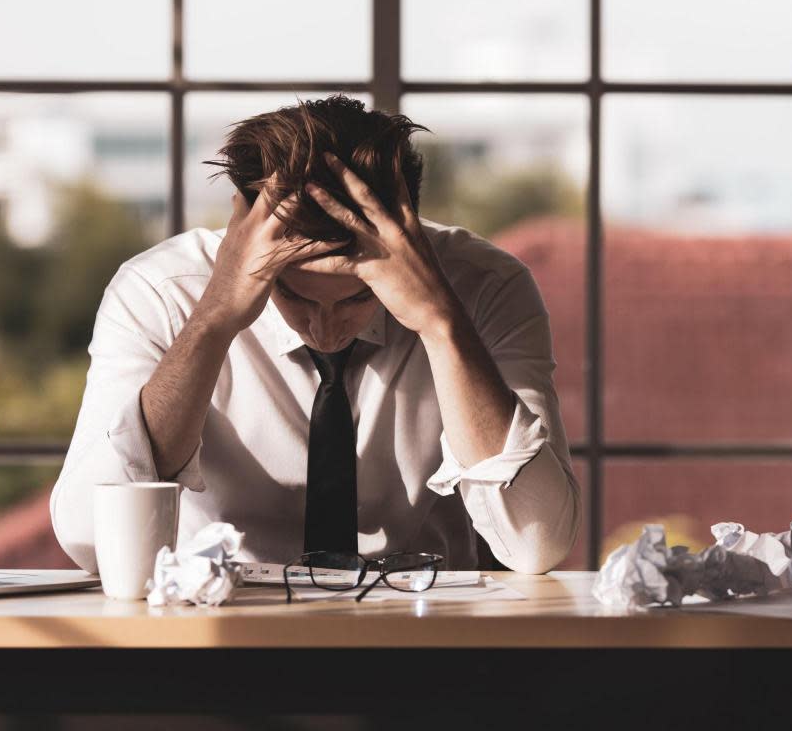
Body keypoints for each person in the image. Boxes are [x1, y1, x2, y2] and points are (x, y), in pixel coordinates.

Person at [50, 95, 580, 574]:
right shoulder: (160, 292)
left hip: (425, 630)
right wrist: (213, 320)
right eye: (296, 296)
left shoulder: (486, 287)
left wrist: (441, 324)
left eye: (356, 298)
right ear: (240, 234)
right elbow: (89, 538)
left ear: (412, 232)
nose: (324, 329)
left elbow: (539, 545)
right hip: (216, 630)